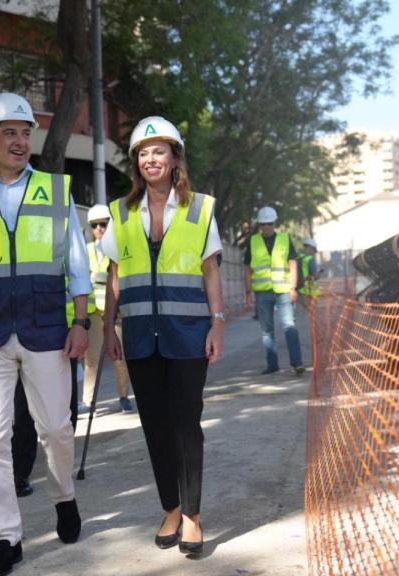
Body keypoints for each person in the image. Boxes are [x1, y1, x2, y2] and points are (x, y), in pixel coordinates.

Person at [0, 92, 89, 576]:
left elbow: (76, 262)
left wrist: (81, 320)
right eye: (9, 132)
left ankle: (63, 496)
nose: (20, 141)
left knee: (56, 429)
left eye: (26, 132)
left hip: (46, 326)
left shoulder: (55, 189)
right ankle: (6, 535)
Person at [101, 116, 225, 557]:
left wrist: (218, 322)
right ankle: (170, 507)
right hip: (138, 337)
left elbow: (211, 269)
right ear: (137, 162)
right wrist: (108, 329)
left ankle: (192, 515)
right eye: (144, 152)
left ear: (175, 159)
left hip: (188, 334)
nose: (152, 159)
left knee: (186, 424)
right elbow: (115, 275)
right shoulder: (121, 211)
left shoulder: (201, 208)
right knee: (154, 425)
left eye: (160, 150)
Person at [83, 204, 134, 414]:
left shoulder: (119, 248)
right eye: (95, 225)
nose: (99, 229)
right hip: (94, 311)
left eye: (104, 224)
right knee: (91, 358)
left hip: (116, 311)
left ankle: (124, 397)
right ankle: (89, 402)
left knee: (120, 357)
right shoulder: (86, 250)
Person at [244, 206, 304, 375]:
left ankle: (297, 363)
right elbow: (247, 268)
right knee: (267, 330)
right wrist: (247, 292)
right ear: (259, 225)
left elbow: (293, 264)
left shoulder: (285, 239)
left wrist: (293, 288)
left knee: (289, 325)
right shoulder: (253, 241)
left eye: (269, 224)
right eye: (263, 224)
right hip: (262, 292)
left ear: (274, 223)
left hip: (283, 290)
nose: (266, 227)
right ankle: (272, 365)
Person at [298, 238, 321, 309]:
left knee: (300, 313)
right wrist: (318, 274)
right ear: (309, 247)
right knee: (310, 315)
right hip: (309, 292)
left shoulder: (297, 258)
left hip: (298, 291)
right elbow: (316, 275)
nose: (314, 252)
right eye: (314, 250)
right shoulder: (310, 259)